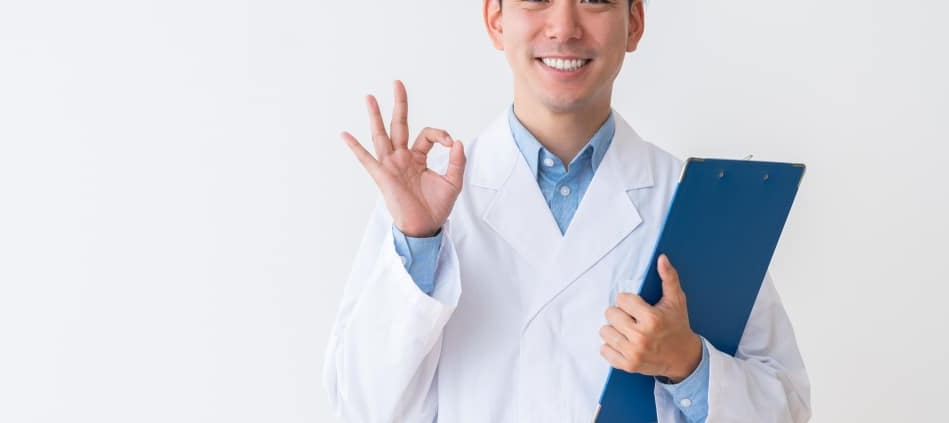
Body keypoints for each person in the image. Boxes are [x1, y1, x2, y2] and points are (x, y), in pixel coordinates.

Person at [324, 1, 810, 421]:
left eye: (596, 0)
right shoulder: (424, 204)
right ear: (495, 19)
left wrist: (689, 365)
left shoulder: (697, 202)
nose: (564, 27)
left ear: (634, 22)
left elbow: (786, 406)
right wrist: (420, 242)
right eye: (536, 0)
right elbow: (362, 408)